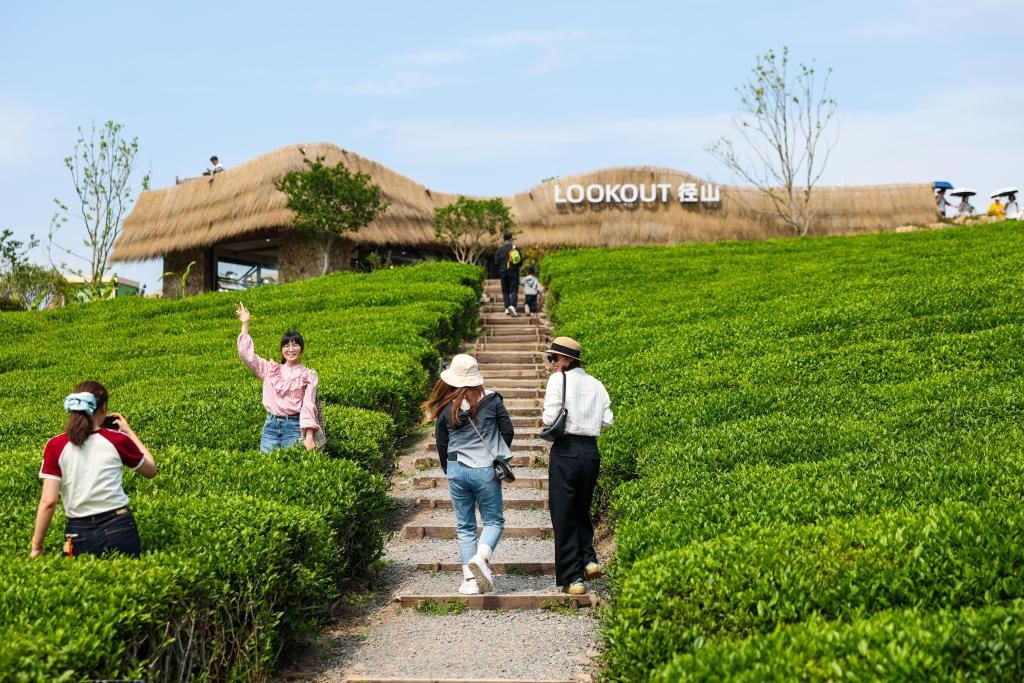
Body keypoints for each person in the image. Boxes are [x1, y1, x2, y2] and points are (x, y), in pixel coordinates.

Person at [31, 381, 157, 558]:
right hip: (120, 527)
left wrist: (37, 547)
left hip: (76, 533)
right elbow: (151, 470)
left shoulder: (55, 445)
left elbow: (48, 502)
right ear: (104, 407)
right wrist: (129, 432)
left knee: (74, 574)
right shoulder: (118, 440)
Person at [423, 354, 513, 595]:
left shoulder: (446, 405)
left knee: (465, 527)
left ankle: (470, 581)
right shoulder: (492, 400)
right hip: (484, 468)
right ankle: (481, 559)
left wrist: (449, 468)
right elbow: (507, 430)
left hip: (456, 469)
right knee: (493, 521)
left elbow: (442, 442)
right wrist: (497, 455)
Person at [542, 337, 612, 595]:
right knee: (582, 508)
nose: (551, 362)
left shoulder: (557, 380)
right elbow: (607, 420)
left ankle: (574, 579)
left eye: (554, 358)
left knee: (564, 514)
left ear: (567, 359)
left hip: (566, 451)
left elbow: (549, 417)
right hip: (591, 453)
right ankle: (589, 559)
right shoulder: (597, 384)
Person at [235, 302, 320, 452]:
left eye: (295, 345)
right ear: (281, 350)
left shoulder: (309, 375)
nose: (291, 349)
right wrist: (245, 324)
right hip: (270, 426)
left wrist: (309, 437)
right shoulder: (270, 369)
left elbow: (308, 405)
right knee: (266, 464)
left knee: (292, 464)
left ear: (302, 349)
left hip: (294, 427)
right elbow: (246, 355)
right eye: (286, 345)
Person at [494, 233, 522, 316]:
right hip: (513, 272)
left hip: (503, 272)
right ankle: (512, 306)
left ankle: (507, 308)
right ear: (511, 239)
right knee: (514, 289)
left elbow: (496, 262)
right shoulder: (515, 249)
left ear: (503, 239)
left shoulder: (499, 249)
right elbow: (520, 262)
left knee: (505, 290)